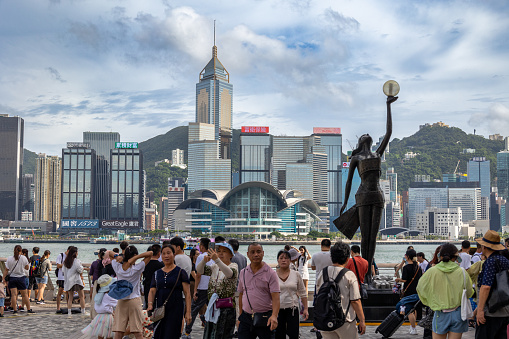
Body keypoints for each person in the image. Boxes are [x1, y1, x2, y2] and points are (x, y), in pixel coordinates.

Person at [337, 94, 397, 282]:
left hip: (378, 197)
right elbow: (348, 182)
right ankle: (365, 274)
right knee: (365, 237)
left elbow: (389, 133)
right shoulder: (356, 158)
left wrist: (388, 106)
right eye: (364, 135)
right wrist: (345, 202)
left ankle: (369, 270)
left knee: (374, 236)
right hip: (362, 196)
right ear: (362, 141)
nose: (366, 135)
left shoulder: (378, 154)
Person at [417, 243, 473, 339]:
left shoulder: (432, 271)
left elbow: (420, 288)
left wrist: (430, 302)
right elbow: (469, 292)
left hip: (440, 313)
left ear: (440, 256)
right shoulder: (462, 272)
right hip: (459, 313)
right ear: (456, 257)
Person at [315, 242, 366, 338]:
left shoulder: (323, 272)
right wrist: (362, 320)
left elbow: (319, 294)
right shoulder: (349, 275)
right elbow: (355, 301)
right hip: (346, 320)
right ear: (347, 259)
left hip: (325, 319)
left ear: (332, 257)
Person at [147, 244, 191, 339]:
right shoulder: (157, 273)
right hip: (160, 310)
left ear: (174, 254)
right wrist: (150, 304)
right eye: (163, 254)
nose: (166, 256)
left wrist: (188, 312)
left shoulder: (180, 272)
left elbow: (187, 293)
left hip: (176, 309)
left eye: (168, 253)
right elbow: (152, 290)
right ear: (161, 256)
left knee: (171, 334)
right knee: (159, 334)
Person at [108, 246, 153, 339]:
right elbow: (150, 254)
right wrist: (136, 257)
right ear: (134, 256)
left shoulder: (118, 267)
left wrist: (117, 256)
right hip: (134, 299)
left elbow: (109, 253)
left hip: (121, 300)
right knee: (137, 331)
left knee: (119, 331)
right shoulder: (137, 268)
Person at [237, 242, 280, 339]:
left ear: (263, 253)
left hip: (265, 318)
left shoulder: (270, 273)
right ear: (248, 254)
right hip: (246, 317)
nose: (256, 254)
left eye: (258, 252)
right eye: (252, 252)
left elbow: (276, 298)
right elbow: (241, 294)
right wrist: (240, 316)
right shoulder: (243, 272)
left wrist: (274, 316)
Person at [198, 242, 238, 339]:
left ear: (231, 255)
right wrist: (204, 261)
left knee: (223, 334)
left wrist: (216, 260)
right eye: (219, 251)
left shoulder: (234, 266)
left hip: (226, 308)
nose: (220, 253)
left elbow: (229, 274)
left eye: (224, 251)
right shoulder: (214, 267)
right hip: (213, 306)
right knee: (210, 334)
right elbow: (199, 270)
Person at [474, 230, 509, 339]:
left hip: (490, 312)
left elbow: (486, 287)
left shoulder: (490, 262)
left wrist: (480, 310)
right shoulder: (505, 260)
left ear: (484, 247)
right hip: (505, 309)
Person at [184, 237, 213, 338]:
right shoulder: (214, 257)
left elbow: (198, 274)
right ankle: (212, 329)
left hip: (202, 287)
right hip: (212, 288)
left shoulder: (201, 257)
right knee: (212, 309)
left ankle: (187, 331)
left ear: (201, 246)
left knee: (193, 310)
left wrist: (195, 289)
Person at [275, 250, 308, 339]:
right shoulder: (273, 275)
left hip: (292, 309)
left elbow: (303, 292)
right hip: (277, 310)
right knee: (278, 335)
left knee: (294, 335)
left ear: (290, 260)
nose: (283, 260)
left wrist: (305, 309)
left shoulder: (296, 274)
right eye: (281, 258)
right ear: (278, 260)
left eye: (286, 258)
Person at [81, 274, 118, 339]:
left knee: (100, 334)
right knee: (109, 335)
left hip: (99, 317)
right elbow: (117, 303)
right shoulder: (108, 296)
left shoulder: (98, 295)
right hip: (108, 317)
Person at [395, 248, 422, 335]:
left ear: (408, 257)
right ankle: (412, 326)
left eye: (405, 256)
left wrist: (398, 279)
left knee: (409, 310)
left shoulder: (406, 267)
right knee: (414, 309)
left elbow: (405, 280)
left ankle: (413, 328)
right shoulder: (418, 267)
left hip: (408, 290)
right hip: (417, 290)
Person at [5, 245, 34, 314]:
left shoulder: (9, 258)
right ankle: (29, 309)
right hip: (21, 278)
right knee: (25, 295)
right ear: (21, 251)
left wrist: (3, 278)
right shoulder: (23, 258)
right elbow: (27, 268)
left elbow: (6, 270)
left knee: (14, 295)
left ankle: (14, 310)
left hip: (12, 278)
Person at [62, 246, 87, 317]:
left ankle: (69, 312)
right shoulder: (76, 261)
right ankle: (83, 311)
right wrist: (82, 267)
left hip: (69, 281)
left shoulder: (65, 262)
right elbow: (80, 270)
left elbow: (63, 271)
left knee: (70, 297)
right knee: (82, 296)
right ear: (75, 253)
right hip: (76, 281)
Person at [142, 244, 163, 309]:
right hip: (158, 288)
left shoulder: (144, 264)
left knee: (148, 306)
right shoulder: (161, 265)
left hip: (147, 286)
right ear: (159, 254)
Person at [56, 246, 72, 313]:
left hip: (69, 276)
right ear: (67, 251)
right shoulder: (61, 255)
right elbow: (58, 266)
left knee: (69, 292)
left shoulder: (71, 257)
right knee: (60, 292)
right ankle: (58, 307)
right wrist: (65, 264)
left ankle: (69, 307)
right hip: (61, 277)